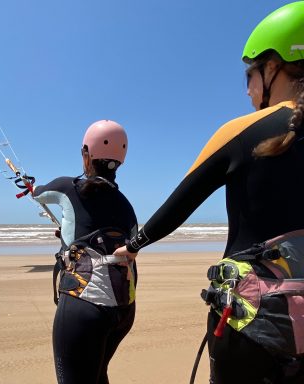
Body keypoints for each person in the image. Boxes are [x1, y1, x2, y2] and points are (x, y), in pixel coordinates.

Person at [114, 2, 304, 383]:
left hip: (250, 320)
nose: (249, 89)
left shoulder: (242, 130)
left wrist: (132, 246)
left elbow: (178, 204)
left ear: (272, 66)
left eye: (248, 74)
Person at [33, 119, 138, 384]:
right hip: (124, 310)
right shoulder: (127, 207)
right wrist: (69, 236)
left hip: (84, 304)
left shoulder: (68, 187)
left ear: (86, 154)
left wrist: (29, 185)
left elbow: (38, 193)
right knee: (97, 375)